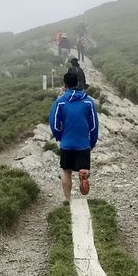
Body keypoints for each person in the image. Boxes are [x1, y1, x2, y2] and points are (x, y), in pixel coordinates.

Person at [48, 71, 98, 200]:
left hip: (67, 143)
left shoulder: (60, 102)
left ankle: (68, 199)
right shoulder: (88, 102)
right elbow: (94, 125)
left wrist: (60, 136)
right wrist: (92, 142)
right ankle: (84, 176)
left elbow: (54, 123)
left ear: (64, 85)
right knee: (85, 169)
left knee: (66, 171)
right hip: (83, 144)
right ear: (78, 83)